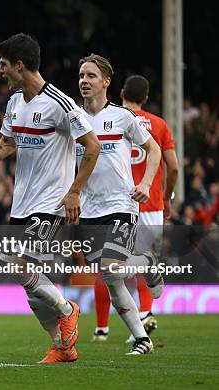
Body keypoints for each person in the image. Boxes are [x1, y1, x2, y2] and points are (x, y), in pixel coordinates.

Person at [0, 33, 100, 363]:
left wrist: (74, 191)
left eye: (4, 65)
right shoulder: (15, 102)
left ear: (20, 66)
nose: (1, 71)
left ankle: (68, 309)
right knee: (28, 282)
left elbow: (92, 146)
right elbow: (6, 145)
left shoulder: (60, 104)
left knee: (18, 264)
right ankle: (62, 346)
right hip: (22, 203)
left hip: (51, 204)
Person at [77, 55, 161, 355]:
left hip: (120, 205)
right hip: (88, 208)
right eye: (81, 75)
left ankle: (148, 263)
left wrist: (146, 184)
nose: (84, 81)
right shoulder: (74, 118)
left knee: (111, 268)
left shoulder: (124, 117)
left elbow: (154, 150)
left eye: (90, 76)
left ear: (106, 82)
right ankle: (142, 339)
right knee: (110, 278)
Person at [92, 75, 179, 343]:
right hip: (150, 203)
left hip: (115, 200)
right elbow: (173, 167)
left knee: (107, 266)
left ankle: (103, 328)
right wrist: (166, 198)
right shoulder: (159, 125)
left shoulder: (112, 118)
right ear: (146, 99)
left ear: (120, 92)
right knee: (131, 264)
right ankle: (144, 316)